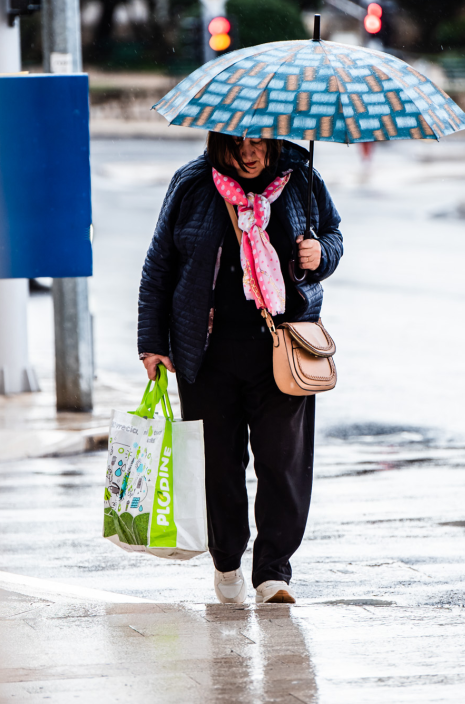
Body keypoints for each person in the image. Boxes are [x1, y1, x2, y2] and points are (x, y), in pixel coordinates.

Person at [137, 133, 343, 604]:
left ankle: (273, 572)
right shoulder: (193, 184)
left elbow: (332, 235)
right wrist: (152, 343)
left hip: (282, 348)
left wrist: (320, 254)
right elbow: (159, 266)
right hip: (206, 353)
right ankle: (226, 559)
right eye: (236, 146)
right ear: (218, 145)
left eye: (257, 143)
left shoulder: (302, 179)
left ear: (272, 141)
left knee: (283, 465)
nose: (248, 154)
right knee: (218, 466)